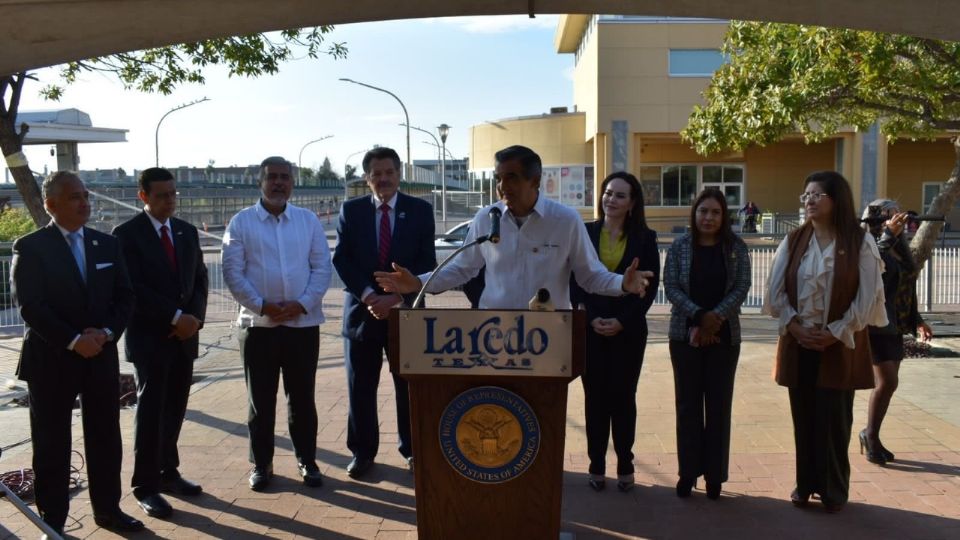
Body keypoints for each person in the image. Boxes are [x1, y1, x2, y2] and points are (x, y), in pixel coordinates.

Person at [11, 171, 142, 535]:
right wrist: (72, 339)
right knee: (51, 444)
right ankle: (52, 521)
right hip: (51, 359)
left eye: (85, 195)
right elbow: (31, 307)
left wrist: (106, 333)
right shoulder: (31, 246)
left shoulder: (107, 245)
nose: (84, 202)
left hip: (100, 355)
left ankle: (108, 511)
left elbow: (125, 297)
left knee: (105, 436)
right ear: (50, 204)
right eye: (74, 197)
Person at [374, 145, 654, 308]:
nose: (502, 186)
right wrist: (419, 282)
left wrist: (623, 284)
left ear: (535, 181)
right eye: (498, 178)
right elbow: (463, 268)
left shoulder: (565, 221)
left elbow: (590, 276)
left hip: (547, 338)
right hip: (492, 332)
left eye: (512, 178)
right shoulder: (487, 218)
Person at [763, 171, 886, 513]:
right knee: (802, 415)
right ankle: (805, 484)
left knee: (834, 418)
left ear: (837, 200)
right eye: (806, 195)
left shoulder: (860, 242)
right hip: (800, 340)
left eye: (817, 195)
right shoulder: (793, 241)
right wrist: (795, 325)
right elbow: (776, 292)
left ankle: (833, 488)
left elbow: (868, 298)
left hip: (839, 342)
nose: (809, 201)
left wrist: (836, 331)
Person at [222, 156, 333, 491]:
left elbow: (322, 268)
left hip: (302, 325)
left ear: (293, 183)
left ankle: (307, 460)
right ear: (260, 181)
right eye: (272, 177)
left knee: (302, 399)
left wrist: (302, 303)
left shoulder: (308, 221)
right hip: (259, 328)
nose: (279, 183)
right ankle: (261, 464)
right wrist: (262, 306)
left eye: (285, 177)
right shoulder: (241, 223)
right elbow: (232, 272)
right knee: (261, 401)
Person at [332, 147, 436, 479]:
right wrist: (369, 297)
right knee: (360, 386)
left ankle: (413, 450)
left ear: (399, 174)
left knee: (409, 386)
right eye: (376, 173)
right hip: (362, 315)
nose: (383, 178)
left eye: (389, 172)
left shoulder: (420, 210)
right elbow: (342, 260)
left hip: (406, 313)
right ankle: (362, 452)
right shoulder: (351, 210)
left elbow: (427, 264)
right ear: (367, 179)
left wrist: (397, 300)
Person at [112, 167, 209, 518]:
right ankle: (145, 485)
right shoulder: (126, 235)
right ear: (144, 197)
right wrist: (174, 317)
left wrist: (194, 318)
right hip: (151, 339)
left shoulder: (184, 231)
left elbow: (200, 277)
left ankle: (169, 472)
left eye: (173, 194)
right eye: (162, 195)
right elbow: (133, 287)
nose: (170, 201)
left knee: (176, 408)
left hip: (184, 339)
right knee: (151, 413)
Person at [569, 171, 660, 493]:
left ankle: (625, 462)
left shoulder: (645, 238)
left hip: (629, 330)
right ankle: (596, 464)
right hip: (591, 329)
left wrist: (622, 321)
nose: (611, 199)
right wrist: (591, 317)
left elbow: (648, 289)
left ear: (632, 202)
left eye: (620, 195)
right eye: (608, 193)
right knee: (595, 399)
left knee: (623, 399)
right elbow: (575, 281)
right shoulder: (585, 232)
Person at [664, 188, 751, 500]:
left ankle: (715, 476)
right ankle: (688, 472)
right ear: (694, 214)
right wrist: (699, 316)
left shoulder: (736, 247)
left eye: (715, 212)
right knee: (687, 406)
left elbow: (742, 286)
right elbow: (671, 286)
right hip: (683, 337)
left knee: (718, 407)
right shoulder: (680, 246)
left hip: (724, 338)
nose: (709, 218)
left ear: (724, 216)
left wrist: (715, 319)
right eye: (703, 211)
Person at [859, 199, 933, 464]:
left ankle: (872, 435)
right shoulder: (868, 244)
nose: (896, 221)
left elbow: (905, 285)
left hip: (897, 323)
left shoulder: (898, 245)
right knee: (888, 381)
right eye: (889, 217)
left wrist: (919, 319)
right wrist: (889, 235)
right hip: (876, 322)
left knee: (887, 385)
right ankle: (870, 435)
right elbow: (871, 268)